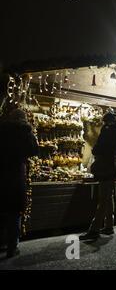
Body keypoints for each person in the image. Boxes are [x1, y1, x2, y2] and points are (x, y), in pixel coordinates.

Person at [0, 108, 38, 258]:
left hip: (2, 175)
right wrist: (30, 131)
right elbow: (34, 150)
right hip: (16, 176)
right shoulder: (25, 132)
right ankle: (12, 247)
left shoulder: (2, 130)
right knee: (14, 214)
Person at [80, 112, 116, 240]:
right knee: (108, 197)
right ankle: (109, 226)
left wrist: (95, 151)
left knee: (103, 198)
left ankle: (94, 229)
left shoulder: (107, 131)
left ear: (106, 122)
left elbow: (99, 148)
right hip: (114, 168)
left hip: (105, 168)